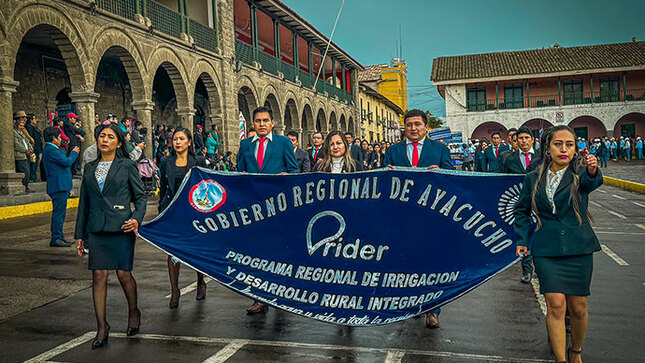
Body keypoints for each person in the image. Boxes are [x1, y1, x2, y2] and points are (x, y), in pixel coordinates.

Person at [515, 125, 601, 363]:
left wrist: (592, 169)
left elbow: (592, 181)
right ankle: (561, 359)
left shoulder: (580, 175)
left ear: (576, 149)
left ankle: (576, 351)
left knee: (578, 307)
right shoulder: (533, 177)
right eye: (558, 144)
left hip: (579, 248)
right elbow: (521, 210)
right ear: (547, 147)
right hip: (546, 249)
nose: (564, 149)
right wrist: (522, 239)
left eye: (569, 144)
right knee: (555, 305)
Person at [74, 123, 147, 349]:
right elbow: (84, 204)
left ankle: (133, 312)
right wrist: (79, 235)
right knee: (98, 276)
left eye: (110, 137)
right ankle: (101, 327)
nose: (105, 140)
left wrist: (137, 218)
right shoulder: (89, 168)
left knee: (124, 274)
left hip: (122, 227)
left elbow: (141, 197)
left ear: (119, 142)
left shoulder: (127, 165)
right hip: (97, 229)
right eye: (102, 136)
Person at [383, 109, 454, 329]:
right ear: (404, 127)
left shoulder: (439, 149)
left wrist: (441, 172)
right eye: (409, 125)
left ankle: (433, 310)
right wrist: (386, 173)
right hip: (401, 217)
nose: (413, 128)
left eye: (417, 124)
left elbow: (453, 179)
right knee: (405, 262)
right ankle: (412, 304)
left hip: (431, 218)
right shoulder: (393, 151)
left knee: (431, 263)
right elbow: (382, 183)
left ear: (426, 127)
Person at [237, 106, 298, 314]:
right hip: (254, 209)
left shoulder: (283, 143)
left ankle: (281, 294)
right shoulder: (245, 145)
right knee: (256, 254)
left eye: (265, 120)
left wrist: (286, 179)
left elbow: (294, 170)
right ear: (252, 124)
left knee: (278, 253)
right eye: (258, 121)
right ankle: (259, 297)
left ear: (272, 123)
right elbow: (239, 174)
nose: (262, 124)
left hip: (278, 207)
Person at [158, 127, 208, 309]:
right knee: (172, 252)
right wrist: (160, 209)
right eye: (175, 139)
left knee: (196, 249)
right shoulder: (165, 161)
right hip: (172, 212)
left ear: (188, 142)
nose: (177, 142)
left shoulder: (199, 161)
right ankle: (175, 289)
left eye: (181, 139)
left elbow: (207, 187)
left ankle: (200, 280)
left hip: (194, 211)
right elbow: (163, 187)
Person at [497, 127, 540, 283]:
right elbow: (500, 180)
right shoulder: (509, 159)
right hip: (518, 203)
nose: (523, 141)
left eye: (526, 138)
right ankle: (527, 270)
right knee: (524, 236)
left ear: (532, 140)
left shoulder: (541, 157)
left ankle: (541, 269)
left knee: (539, 236)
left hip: (538, 203)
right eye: (520, 138)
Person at [42, 126, 80, 247]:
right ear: (54, 138)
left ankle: (60, 236)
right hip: (58, 185)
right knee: (59, 214)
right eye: (59, 137)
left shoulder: (52, 150)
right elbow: (67, 162)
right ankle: (56, 238)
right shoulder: (51, 150)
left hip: (60, 185)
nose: (60, 140)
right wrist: (74, 153)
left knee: (60, 213)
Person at [13, 112, 34, 193]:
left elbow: (27, 142)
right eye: (20, 126)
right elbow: (17, 144)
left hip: (26, 155)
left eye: (23, 126)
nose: (22, 127)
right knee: (25, 171)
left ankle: (26, 186)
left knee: (27, 171)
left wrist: (30, 149)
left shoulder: (22, 134)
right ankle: (24, 186)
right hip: (20, 155)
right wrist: (26, 151)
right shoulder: (14, 133)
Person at [25, 114, 44, 182]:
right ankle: (32, 177)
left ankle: (33, 176)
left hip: (37, 147)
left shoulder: (34, 127)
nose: (35, 120)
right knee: (33, 162)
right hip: (34, 148)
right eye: (34, 119)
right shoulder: (28, 127)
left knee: (35, 163)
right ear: (31, 120)